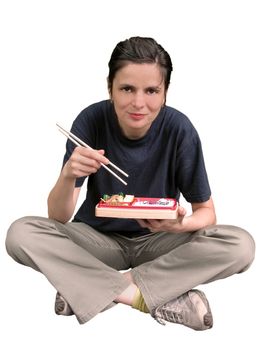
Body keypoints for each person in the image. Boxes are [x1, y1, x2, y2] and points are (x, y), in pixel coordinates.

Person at [6, 36, 255, 331]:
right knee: (21, 234)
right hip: (97, 241)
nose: (139, 103)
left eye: (151, 90)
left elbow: (207, 214)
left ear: (165, 93)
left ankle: (89, 289)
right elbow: (58, 218)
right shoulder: (91, 120)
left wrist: (176, 226)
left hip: (159, 240)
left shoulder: (179, 129)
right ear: (110, 86)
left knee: (240, 245)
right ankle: (144, 297)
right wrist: (68, 175)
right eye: (127, 88)